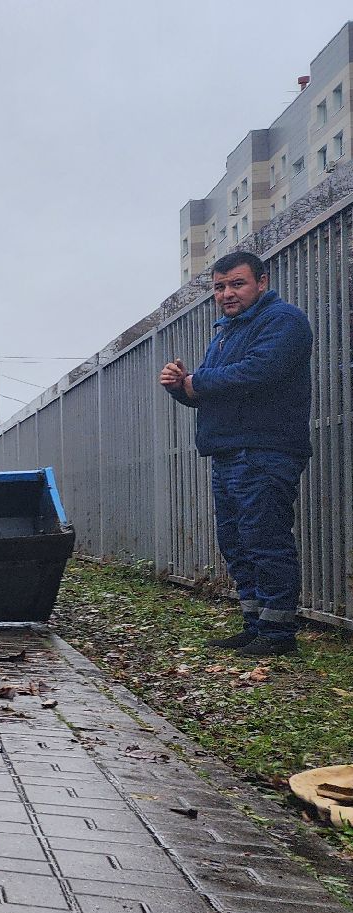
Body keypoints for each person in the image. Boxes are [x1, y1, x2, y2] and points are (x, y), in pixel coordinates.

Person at [159, 250, 313, 657]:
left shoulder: (283, 321)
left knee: (265, 540)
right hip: (229, 451)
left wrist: (197, 380)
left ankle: (278, 634)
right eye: (219, 287)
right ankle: (256, 625)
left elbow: (258, 372)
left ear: (262, 282)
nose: (227, 293)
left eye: (237, 284)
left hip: (265, 450)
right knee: (237, 541)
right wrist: (182, 387)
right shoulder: (227, 331)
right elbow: (215, 394)